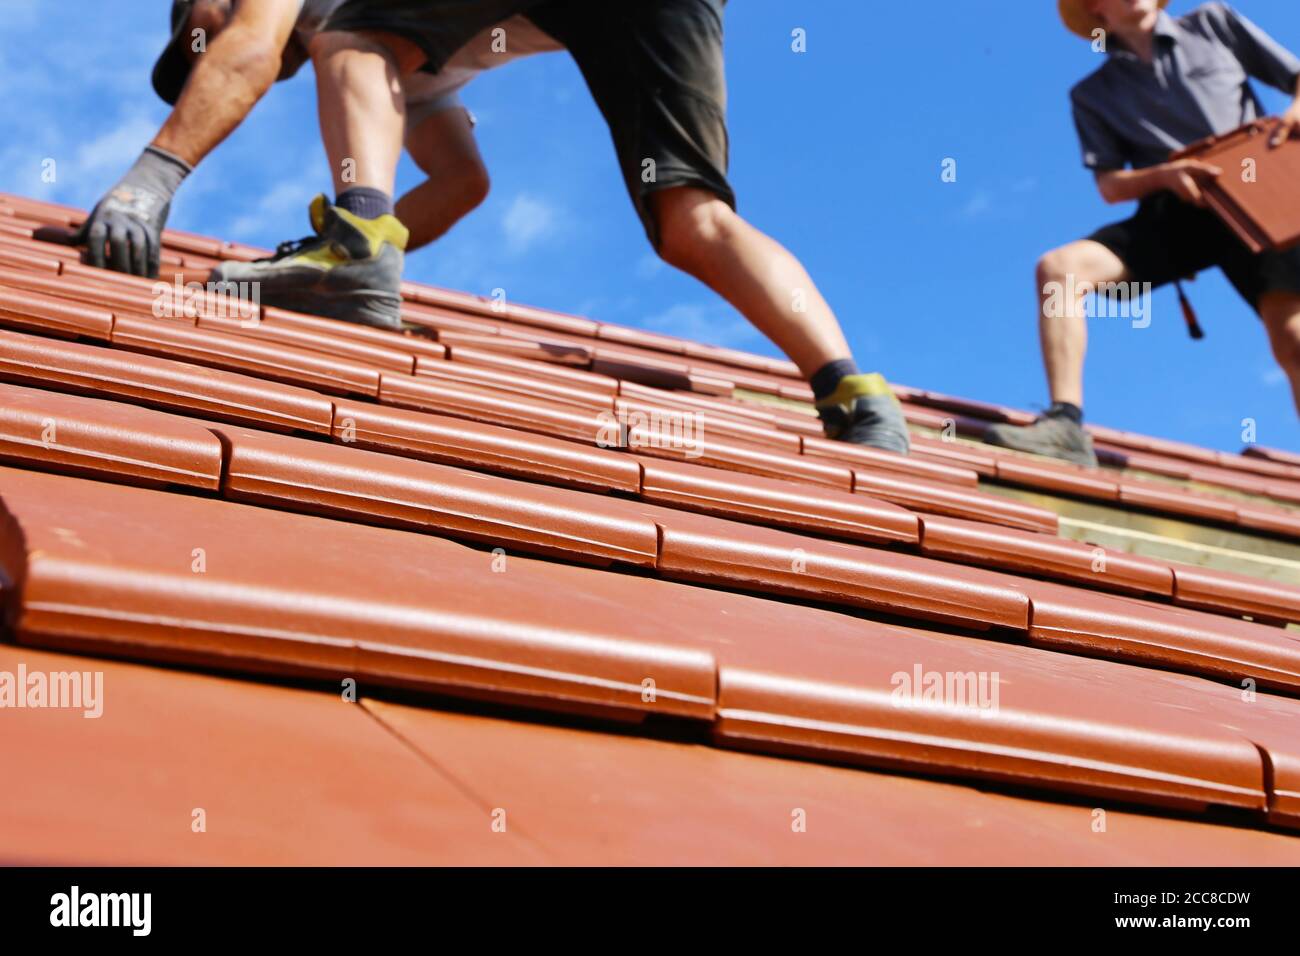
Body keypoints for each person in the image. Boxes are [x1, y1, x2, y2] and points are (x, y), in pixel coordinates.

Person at [206, 0, 912, 451]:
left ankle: (354, 239)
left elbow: (255, 44)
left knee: (353, 41)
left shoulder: (327, 23)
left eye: (196, 24)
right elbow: (462, 183)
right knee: (692, 221)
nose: (199, 38)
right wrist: (350, 265)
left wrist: (153, 181)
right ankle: (855, 396)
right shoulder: (405, 67)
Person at [984, 0, 1300, 467]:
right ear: (1096, 9)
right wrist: (1166, 175)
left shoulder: (1215, 23)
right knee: (1060, 270)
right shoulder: (1093, 95)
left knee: (1293, 335)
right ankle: (1065, 426)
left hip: (1256, 194)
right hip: (1174, 211)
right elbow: (1110, 185)